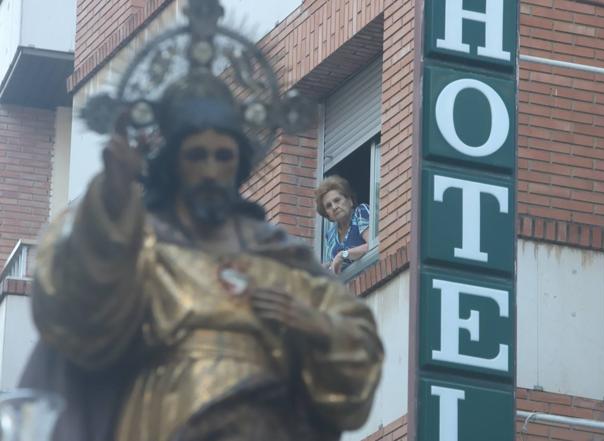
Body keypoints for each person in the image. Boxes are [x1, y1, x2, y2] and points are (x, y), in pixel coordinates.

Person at [19, 2, 383, 441]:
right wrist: (114, 196)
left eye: (223, 156)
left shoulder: (278, 255)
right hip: (166, 417)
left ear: (239, 163)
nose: (211, 170)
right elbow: (76, 303)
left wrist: (311, 322)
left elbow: (357, 347)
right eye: (197, 156)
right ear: (172, 164)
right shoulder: (140, 240)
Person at [315, 175, 370, 274]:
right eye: (328, 206)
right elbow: (334, 264)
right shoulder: (330, 235)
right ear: (328, 215)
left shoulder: (360, 212)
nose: (334, 207)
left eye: (337, 200)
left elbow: (373, 245)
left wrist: (343, 255)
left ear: (350, 201)